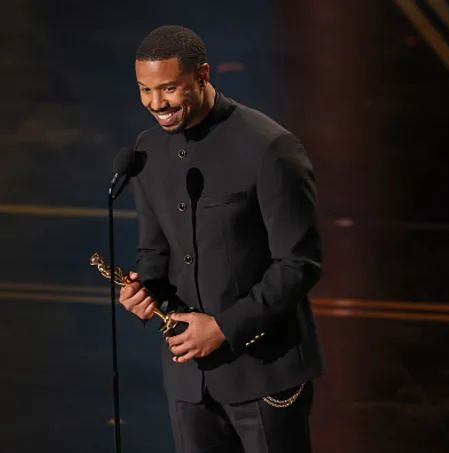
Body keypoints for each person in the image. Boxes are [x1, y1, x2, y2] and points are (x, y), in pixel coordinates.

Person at [118, 25, 324, 453]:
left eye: (169, 88)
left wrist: (224, 328)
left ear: (203, 75)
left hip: (265, 375)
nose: (156, 103)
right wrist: (146, 291)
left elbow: (299, 264)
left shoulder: (269, 148)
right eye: (145, 90)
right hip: (188, 381)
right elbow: (155, 249)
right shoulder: (147, 150)